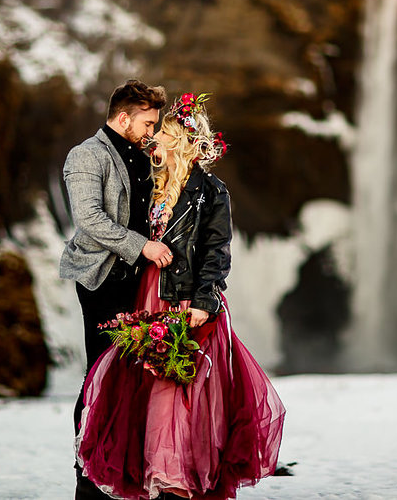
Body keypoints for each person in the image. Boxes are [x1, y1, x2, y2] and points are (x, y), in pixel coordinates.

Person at [75, 93, 285, 500]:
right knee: (148, 381)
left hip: (185, 299)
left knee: (181, 388)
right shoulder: (154, 186)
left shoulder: (212, 191)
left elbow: (217, 250)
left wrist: (204, 301)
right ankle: (151, 473)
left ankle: (177, 478)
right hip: (149, 292)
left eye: (163, 132)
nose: (154, 139)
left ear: (183, 141)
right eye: (153, 129)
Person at [59, 79, 173, 498]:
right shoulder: (86, 155)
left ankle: (126, 466)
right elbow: (89, 218)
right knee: (101, 374)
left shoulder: (145, 155)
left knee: (133, 374)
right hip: (101, 278)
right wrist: (142, 245)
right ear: (123, 117)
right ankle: (86, 465)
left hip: (140, 282)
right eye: (146, 123)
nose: (151, 132)